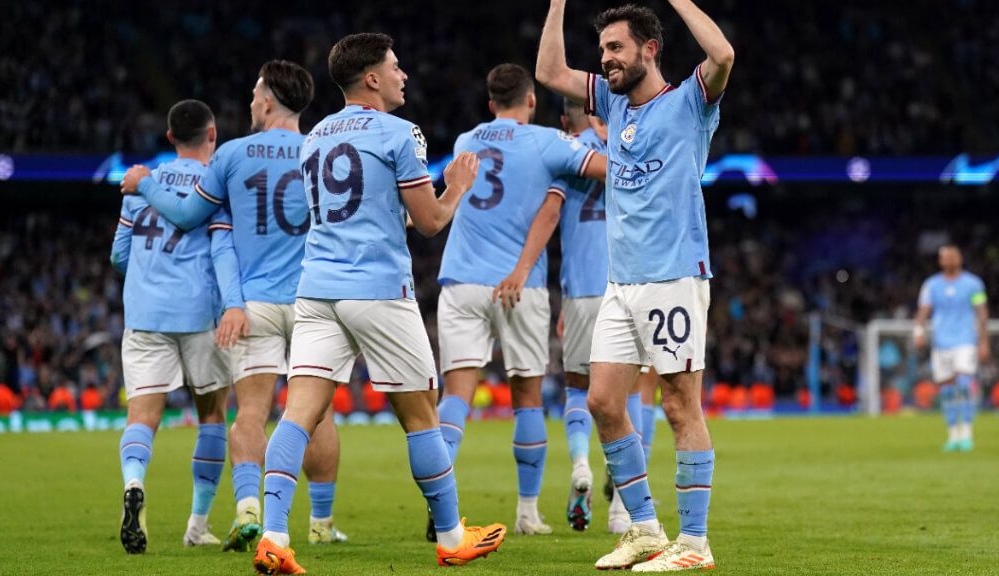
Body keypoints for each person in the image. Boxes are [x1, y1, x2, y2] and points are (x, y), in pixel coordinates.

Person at [251, 33, 506, 574]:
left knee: (296, 418)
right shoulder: (399, 132)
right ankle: (453, 537)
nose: (403, 74)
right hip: (378, 290)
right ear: (371, 78)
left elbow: (369, 209)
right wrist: (456, 185)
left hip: (317, 289)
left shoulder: (315, 135)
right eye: (395, 67)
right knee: (420, 416)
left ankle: (273, 536)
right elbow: (433, 221)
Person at [536, 0, 733, 571]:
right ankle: (645, 530)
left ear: (649, 49)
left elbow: (722, 54)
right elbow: (551, 72)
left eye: (616, 48)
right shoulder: (614, 100)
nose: (606, 60)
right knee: (601, 401)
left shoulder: (690, 102)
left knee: (678, 404)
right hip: (620, 282)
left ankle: (694, 545)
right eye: (602, 52)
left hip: (673, 276)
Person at [122, 61, 347, 550]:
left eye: (253, 94)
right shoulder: (322, 150)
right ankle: (322, 524)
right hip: (315, 300)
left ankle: (248, 507)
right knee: (318, 414)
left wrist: (146, 185)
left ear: (267, 101)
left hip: (255, 303)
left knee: (249, 413)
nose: (249, 102)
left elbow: (186, 217)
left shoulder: (232, 155)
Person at [434, 63, 606, 537]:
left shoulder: (466, 140)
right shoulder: (548, 141)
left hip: (462, 281)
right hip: (520, 286)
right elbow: (605, 169)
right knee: (527, 398)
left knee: (456, 395)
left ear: (491, 104)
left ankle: (440, 503)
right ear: (531, 100)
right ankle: (527, 513)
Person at [113, 99, 246, 553]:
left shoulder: (138, 183)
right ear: (213, 135)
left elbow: (118, 256)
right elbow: (224, 249)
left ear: (169, 137)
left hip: (145, 314)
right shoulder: (215, 187)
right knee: (211, 415)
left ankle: (134, 483)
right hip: (200, 315)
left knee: (143, 415)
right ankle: (197, 526)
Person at [914, 245, 989, 452]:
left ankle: (967, 431)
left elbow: (981, 312)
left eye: (952, 256)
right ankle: (952, 433)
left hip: (965, 340)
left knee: (964, 384)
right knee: (946, 390)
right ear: (940, 261)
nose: (949, 260)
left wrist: (983, 341)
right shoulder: (931, 285)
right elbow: (923, 311)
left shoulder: (973, 284)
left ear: (960, 258)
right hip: (941, 343)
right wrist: (918, 332)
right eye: (945, 257)